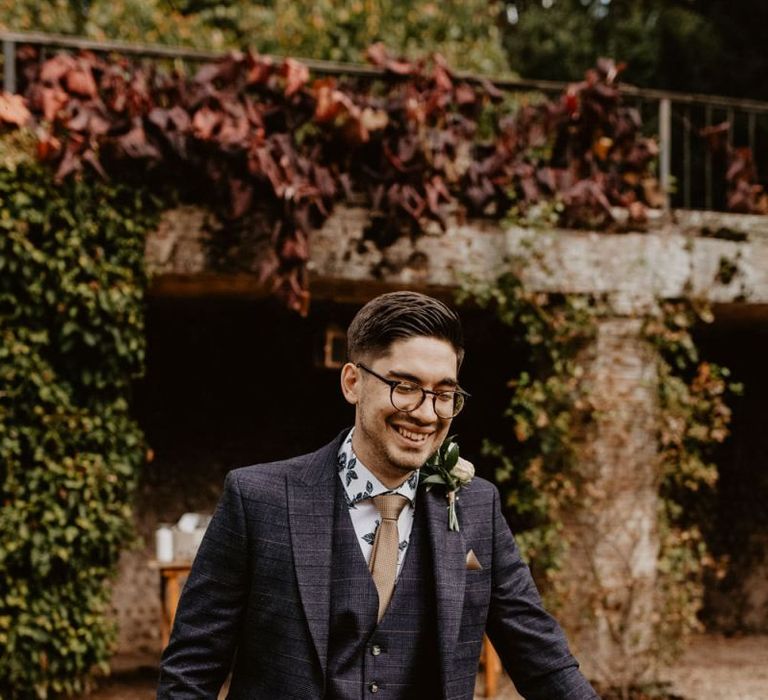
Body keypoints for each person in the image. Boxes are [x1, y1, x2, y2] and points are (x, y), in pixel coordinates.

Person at [158, 291, 598, 699]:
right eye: (404, 386)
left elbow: (545, 663)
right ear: (352, 382)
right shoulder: (258, 499)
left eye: (444, 394)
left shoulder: (477, 508)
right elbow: (191, 671)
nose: (426, 413)